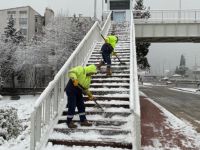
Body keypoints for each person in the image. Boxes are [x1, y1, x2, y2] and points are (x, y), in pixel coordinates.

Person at [65, 64, 97, 128]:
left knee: (81, 105)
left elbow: (85, 89)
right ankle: (69, 121)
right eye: (92, 73)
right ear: (89, 70)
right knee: (72, 105)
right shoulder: (81, 69)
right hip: (71, 89)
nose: (92, 74)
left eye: (93, 73)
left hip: (79, 91)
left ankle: (83, 121)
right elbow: (71, 72)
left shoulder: (88, 78)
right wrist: (75, 79)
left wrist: (90, 95)